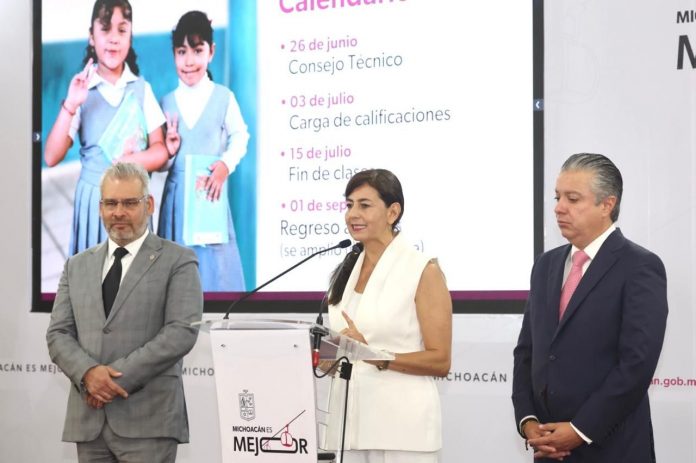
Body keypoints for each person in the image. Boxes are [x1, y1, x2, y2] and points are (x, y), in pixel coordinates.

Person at [512, 153, 668, 462]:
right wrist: (528, 421)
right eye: (557, 197)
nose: (559, 207)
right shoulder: (545, 265)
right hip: (549, 448)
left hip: (612, 448)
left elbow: (636, 365)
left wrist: (580, 429)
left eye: (572, 199)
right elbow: (527, 352)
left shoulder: (640, 266)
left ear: (607, 204)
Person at [46, 162, 203, 463]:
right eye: (111, 203)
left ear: (149, 205)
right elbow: (58, 334)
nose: (119, 212)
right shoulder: (76, 265)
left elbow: (180, 332)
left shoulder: (178, 260)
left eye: (130, 203)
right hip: (89, 422)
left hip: (149, 422)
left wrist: (110, 382)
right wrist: (88, 374)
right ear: (100, 208)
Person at [324, 169, 452, 463]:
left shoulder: (422, 270)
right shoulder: (346, 270)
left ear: (393, 212)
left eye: (364, 205)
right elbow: (344, 348)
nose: (352, 214)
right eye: (349, 205)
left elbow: (440, 360)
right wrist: (326, 354)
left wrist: (373, 355)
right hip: (346, 429)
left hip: (402, 432)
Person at [44, 0, 168, 255]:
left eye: (122, 30)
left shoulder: (141, 89)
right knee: (96, 273)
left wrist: (132, 160)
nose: (113, 38)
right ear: (92, 36)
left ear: (130, 38)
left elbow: (161, 151)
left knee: (134, 275)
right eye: (105, 28)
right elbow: (51, 156)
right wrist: (71, 104)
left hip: (133, 201)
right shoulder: (82, 91)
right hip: (95, 203)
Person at [157, 10, 249, 292]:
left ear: (211, 51)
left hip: (209, 193)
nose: (189, 61)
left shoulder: (223, 97)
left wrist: (225, 165)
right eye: (181, 51)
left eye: (197, 50)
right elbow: (161, 162)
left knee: (214, 273)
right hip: (176, 201)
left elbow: (240, 135)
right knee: (176, 275)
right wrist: (169, 151)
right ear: (173, 54)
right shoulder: (167, 102)